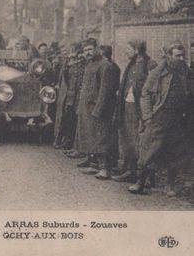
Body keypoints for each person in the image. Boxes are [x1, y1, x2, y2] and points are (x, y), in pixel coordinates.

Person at [130, 42, 193, 196]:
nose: (181, 58)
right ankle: (140, 183)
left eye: (183, 55)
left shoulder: (186, 72)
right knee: (149, 150)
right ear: (169, 56)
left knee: (176, 152)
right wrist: (148, 117)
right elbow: (145, 95)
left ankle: (170, 185)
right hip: (159, 117)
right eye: (177, 55)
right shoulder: (157, 72)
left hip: (178, 118)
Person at [75, 41, 120, 180]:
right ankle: (94, 164)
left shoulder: (105, 66)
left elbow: (105, 91)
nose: (87, 52)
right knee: (91, 137)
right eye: (85, 50)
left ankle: (105, 168)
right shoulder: (90, 65)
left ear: (97, 49)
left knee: (102, 138)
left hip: (98, 109)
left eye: (90, 49)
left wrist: (99, 109)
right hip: (87, 108)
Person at [112, 40, 156, 183]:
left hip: (140, 109)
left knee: (141, 143)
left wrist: (147, 114)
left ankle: (146, 177)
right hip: (127, 107)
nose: (126, 52)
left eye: (128, 49)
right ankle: (131, 172)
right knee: (129, 141)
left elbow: (153, 91)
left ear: (137, 50)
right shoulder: (131, 65)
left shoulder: (150, 65)